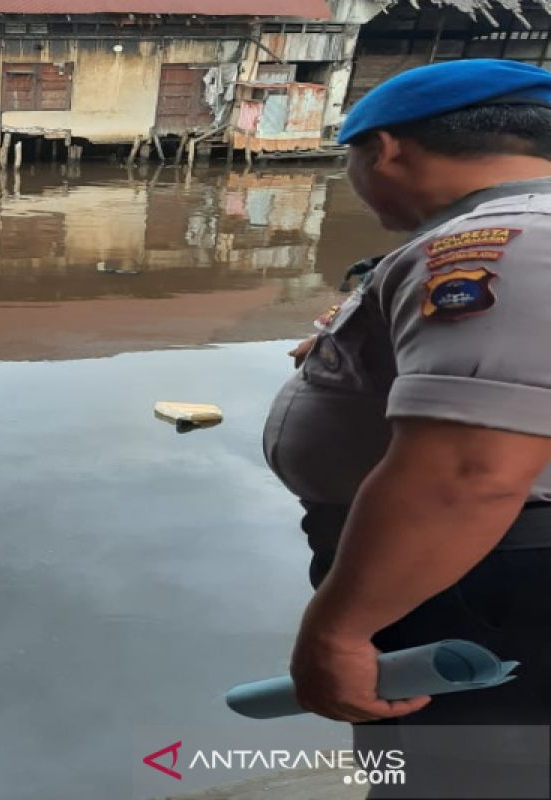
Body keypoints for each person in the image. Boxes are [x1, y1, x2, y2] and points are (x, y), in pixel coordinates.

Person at [265, 59, 551, 797]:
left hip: (480, 581)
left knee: (462, 778)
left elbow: (467, 474)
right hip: (469, 569)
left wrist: (339, 631)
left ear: (384, 148)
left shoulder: (503, 243)